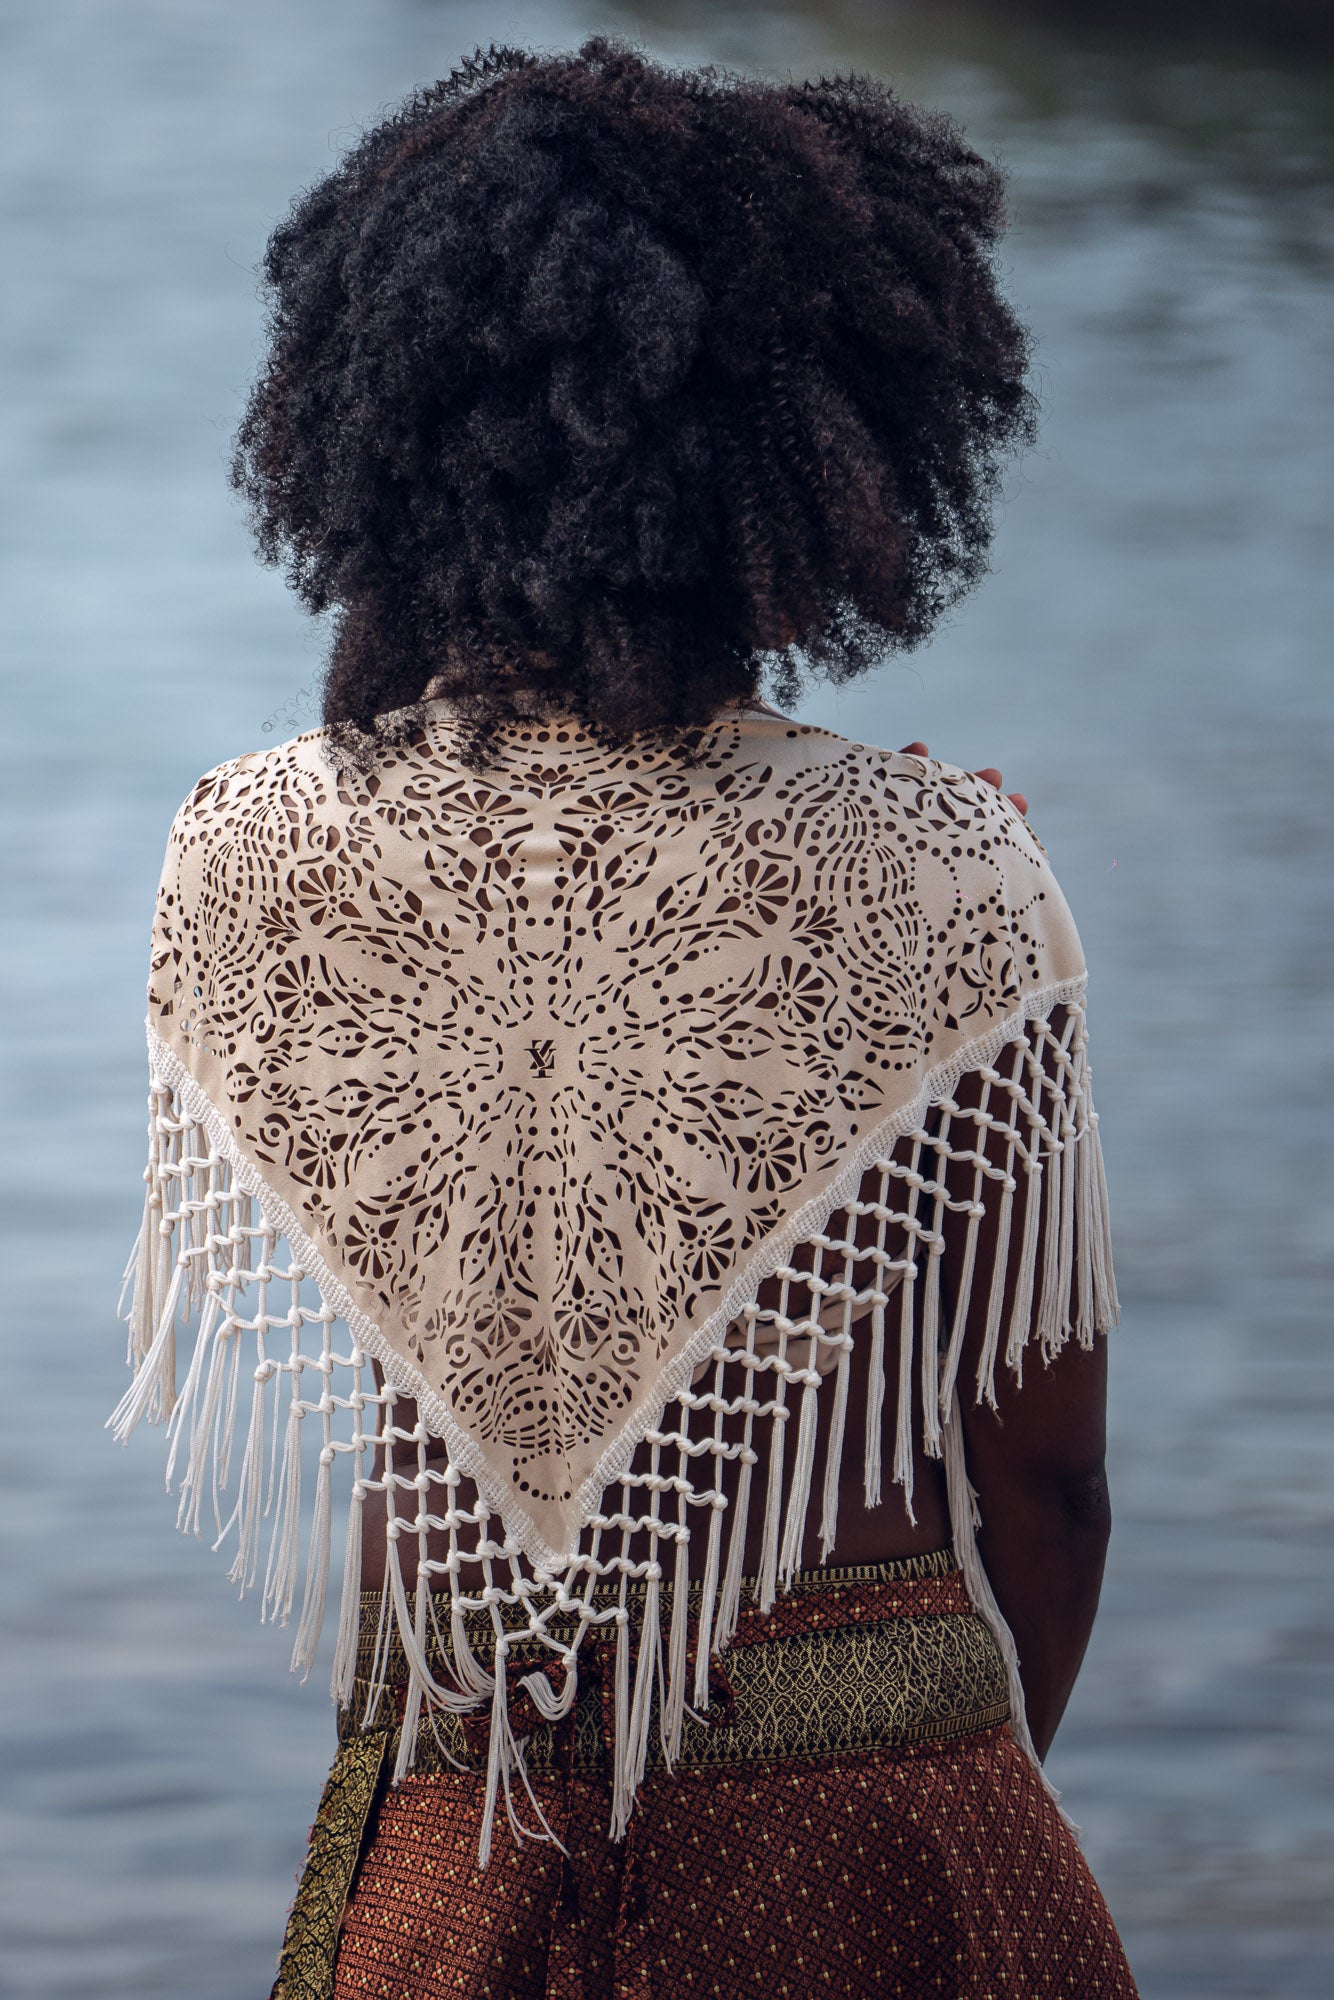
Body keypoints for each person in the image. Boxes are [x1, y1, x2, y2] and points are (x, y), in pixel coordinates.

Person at [114, 39, 1136, 1999]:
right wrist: (960, 1790)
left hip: (459, 1819)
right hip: (868, 1807)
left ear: (383, 432)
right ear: (824, 447)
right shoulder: (939, 859)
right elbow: (1050, 1476)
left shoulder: (241, 860)